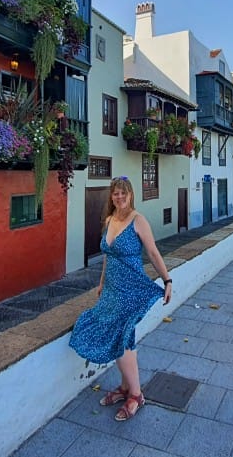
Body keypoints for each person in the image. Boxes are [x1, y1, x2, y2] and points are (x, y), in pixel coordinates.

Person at [69, 177, 172, 421]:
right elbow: (108, 256)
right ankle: (126, 389)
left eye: (123, 194)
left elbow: (153, 252)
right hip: (112, 290)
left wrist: (167, 280)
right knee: (125, 339)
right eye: (116, 194)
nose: (119, 197)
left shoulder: (139, 221)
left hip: (131, 288)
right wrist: (102, 282)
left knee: (120, 336)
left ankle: (136, 394)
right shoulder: (109, 220)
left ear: (130, 196)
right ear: (111, 197)